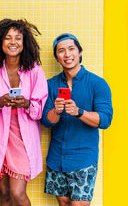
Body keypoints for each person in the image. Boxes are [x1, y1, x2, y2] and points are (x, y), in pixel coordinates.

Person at [0, 19, 48, 206]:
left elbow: (40, 109)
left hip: (22, 140)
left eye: (18, 38)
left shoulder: (34, 71)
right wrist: (0, 102)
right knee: (5, 194)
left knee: (18, 193)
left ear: (24, 43)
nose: (13, 42)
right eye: (8, 38)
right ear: (0, 42)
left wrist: (26, 104)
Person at [41, 33, 113, 205]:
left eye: (71, 49)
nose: (67, 54)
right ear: (57, 58)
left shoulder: (98, 83)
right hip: (56, 158)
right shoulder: (50, 84)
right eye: (61, 51)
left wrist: (79, 112)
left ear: (80, 53)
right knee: (63, 203)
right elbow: (45, 121)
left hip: (83, 159)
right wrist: (56, 111)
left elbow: (105, 120)